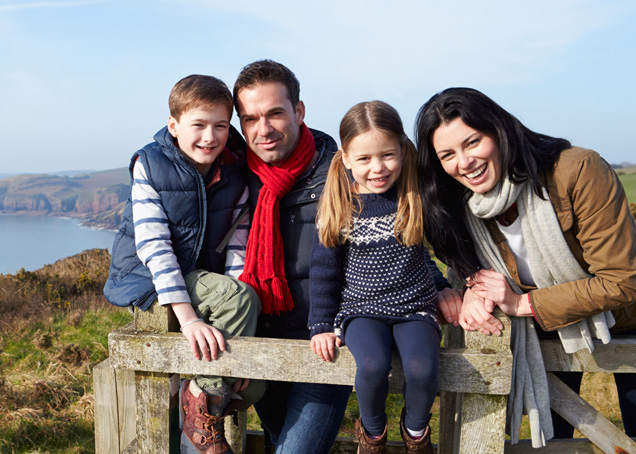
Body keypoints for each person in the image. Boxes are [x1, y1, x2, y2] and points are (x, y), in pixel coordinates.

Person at [415, 87, 636, 445]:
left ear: (498, 131)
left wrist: (521, 304)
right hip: (545, 331)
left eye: (472, 142)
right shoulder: (458, 202)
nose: (464, 162)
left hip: (627, 320)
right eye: (448, 154)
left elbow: (622, 280)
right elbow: (469, 266)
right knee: (553, 442)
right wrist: (472, 286)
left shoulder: (576, 170)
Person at [104, 74, 266, 454]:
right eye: (198, 125)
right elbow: (154, 244)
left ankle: (200, 398)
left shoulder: (236, 170)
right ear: (174, 126)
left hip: (196, 273)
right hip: (146, 274)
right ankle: (200, 417)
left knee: (254, 384)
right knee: (238, 301)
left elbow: (236, 245)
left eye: (220, 126)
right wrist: (189, 317)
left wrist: (234, 299)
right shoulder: (152, 163)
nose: (210, 137)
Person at [308, 101, 459, 454]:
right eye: (364, 159)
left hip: (414, 307)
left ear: (403, 151)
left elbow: (425, 253)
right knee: (373, 365)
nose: (378, 168)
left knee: (422, 368)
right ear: (345, 157)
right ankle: (373, 434)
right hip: (362, 309)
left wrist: (443, 287)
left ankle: (416, 434)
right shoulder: (341, 206)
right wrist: (320, 325)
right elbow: (324, 271)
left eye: (387, 155)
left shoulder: (413, 196)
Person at [232, 59, 352, 454]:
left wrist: (444, 289)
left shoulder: (341, 174)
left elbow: (397, 236)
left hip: (324, 346)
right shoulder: (233, 176)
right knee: (276, 443)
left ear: (299, 111)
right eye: (249, 119)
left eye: (275, 114)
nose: (262, 130)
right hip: (259, 343)